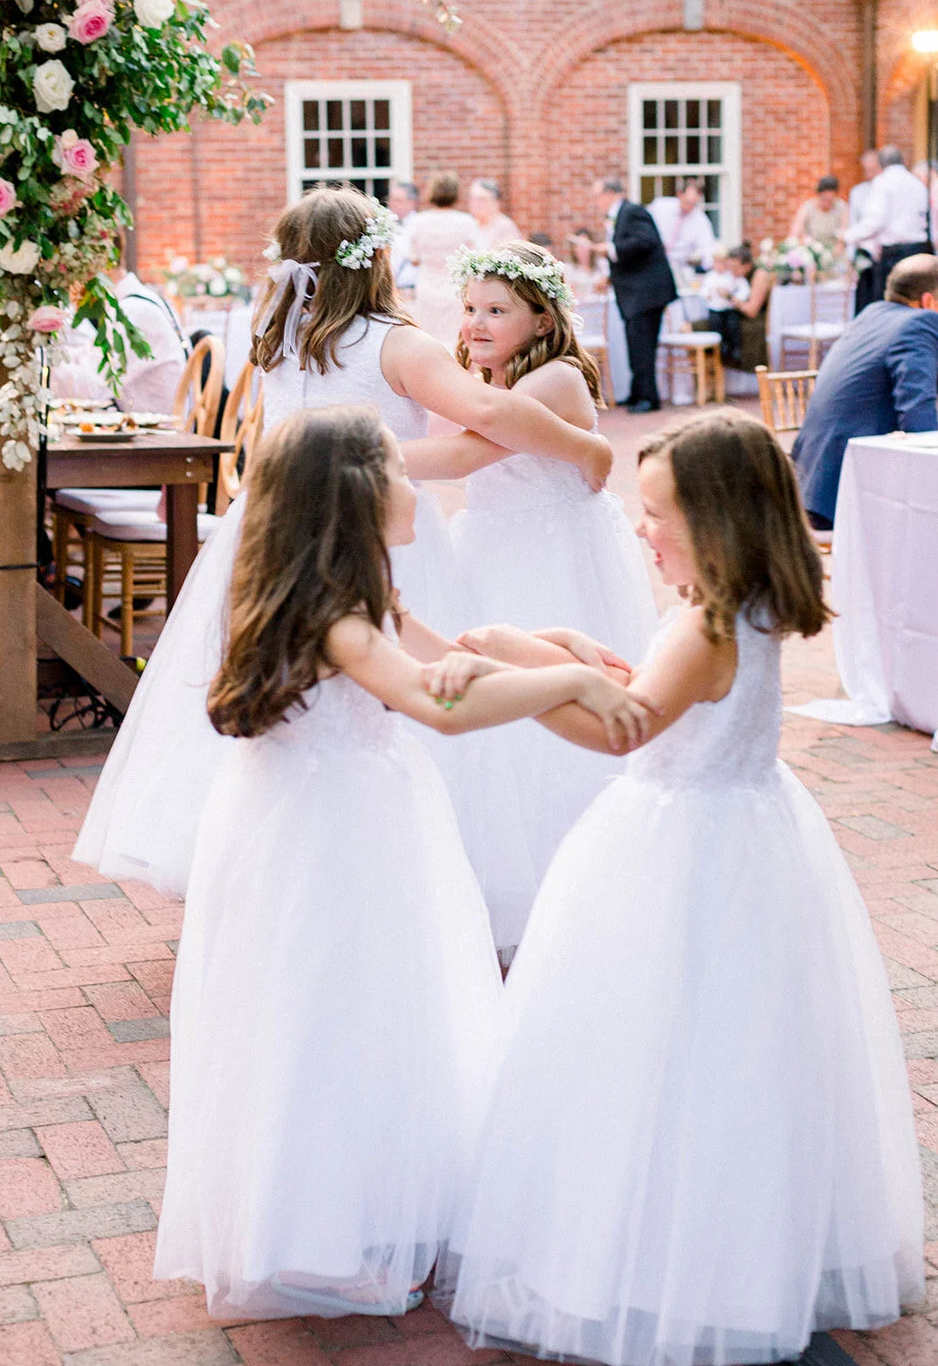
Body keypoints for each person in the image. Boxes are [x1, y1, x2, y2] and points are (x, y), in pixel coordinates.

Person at [435, 410, 925, 1365]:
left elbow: (622, 728)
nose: (638, 527)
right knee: (738, 1045)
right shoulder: (737, 609)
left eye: (655, 511)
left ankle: (656, 1249)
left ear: (716, 517)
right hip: (746, 832)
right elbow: (631, 680)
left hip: (679, 844)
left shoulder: (702, 628)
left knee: (656, 1039)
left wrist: (508, 681)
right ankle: (743, 1238)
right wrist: (561, 653)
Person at [152, 405, 653, 1322]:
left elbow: (454, 656)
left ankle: (373, 1206)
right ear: (351, 497)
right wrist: (572, 686)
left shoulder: (362, 594)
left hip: (361, 813)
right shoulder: (332, 617)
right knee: (329, 1016)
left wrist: (554, 647)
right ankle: (318, 1229)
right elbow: (439, 705)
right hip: (324, 834)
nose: (409, 478)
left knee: (385, 1009)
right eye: (393, 467)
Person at [72, 187, 613, 898]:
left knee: (292, 690)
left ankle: (273, 860)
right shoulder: (395, 340)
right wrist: (583, 443)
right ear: (375, 257)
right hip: (372, 530)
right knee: (392, 690)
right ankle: (406, 871)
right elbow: (485, 409)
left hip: (271, 525)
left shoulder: (281, 336)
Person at [405, 242, 657, 952]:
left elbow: (462, 457)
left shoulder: (549, 382)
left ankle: (565, 885)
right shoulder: (494, 376)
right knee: (500, 707)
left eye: (496, 311)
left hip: (546, 554)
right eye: (469, 309)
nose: (474, 324)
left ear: (542, 320)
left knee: (538, 718)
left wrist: (341, 446)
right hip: (494, 545)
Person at [792, 252, 938, 530]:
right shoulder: (919, 324)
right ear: (928, 301)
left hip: (809, 485)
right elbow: (919, 419)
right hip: (847, 494)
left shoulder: (869, 316)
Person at [53, 267, 189, 414]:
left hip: (160, 432)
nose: (71, 279)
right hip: (139, 425)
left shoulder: (134, 311)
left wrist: (40, 363)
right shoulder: (138, 300)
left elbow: (90, 390)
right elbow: (87, 354)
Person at [592, 176, 676, 413]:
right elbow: (634, 258)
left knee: (643, 345)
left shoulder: (632, 211)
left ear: (610, 193)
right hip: (637, 293)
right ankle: (638, 391)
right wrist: (610, 277)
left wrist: (610, 249)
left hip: (646, 293)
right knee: (636, 343)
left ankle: (649, 398)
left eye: (597, 196)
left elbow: (645, 242)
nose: (596, 202)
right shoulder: (621, 215)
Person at [844, 145, 931, 310]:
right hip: (919, 249)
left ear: (881, 164)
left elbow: (875, 221)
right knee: (915, 304)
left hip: (894, 255)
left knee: (889, 306)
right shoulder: (916, 182)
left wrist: (849, 236)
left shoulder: (883, 182)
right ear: (902, 161)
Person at [406, 172, 479, 347]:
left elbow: (412, 258)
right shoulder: (466, 222)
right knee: (454, 337)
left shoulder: (418, 221)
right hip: (454, 287)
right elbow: (477, 256)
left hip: (426, 288)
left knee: (428, 338)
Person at [699, 242, 772, 371]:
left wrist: (729, 297)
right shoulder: (728, 276)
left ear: (747, 266)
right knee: (694, 326)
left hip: (748, 321)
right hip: (725, 314)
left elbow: (751, 311)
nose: (732, 271)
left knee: (700, 329)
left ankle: (711, 372)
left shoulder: (759, 275)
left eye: (735, 267)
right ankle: (706, 377)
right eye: (730, 267)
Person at [646, 177, 716, 272]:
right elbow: (643, 226)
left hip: (680, 267)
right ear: (679, 194)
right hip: (652, 261)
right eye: (687, 202)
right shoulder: (660, 206)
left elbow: (707, 246)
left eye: (693, 204)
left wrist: (707, 267)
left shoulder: (701, 220)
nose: (689, 207)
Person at [847, 148, 882, 314]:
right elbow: (853, 224)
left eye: (872, 170)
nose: (869, 175)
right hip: (864, 255)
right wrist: (850, 258)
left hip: (883, 256)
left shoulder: (887, 190)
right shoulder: (858, 192)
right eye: (866, 170)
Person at [789, 174, 848, 246]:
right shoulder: (807, 207)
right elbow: (796, 229)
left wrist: (840, 243)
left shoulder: (841, 207)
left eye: (830, 200)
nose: (827, 203)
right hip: (812, 247)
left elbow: (844, 229)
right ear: (818, 195)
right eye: (824, 199)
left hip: (834, 248)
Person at [467, 178, 521, 249]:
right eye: (472, 199)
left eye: (481, 199)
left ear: (496, 202)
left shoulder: (505, 227)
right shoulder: (468, 224)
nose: (476, 204)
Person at [388, 179, 418, 294]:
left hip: (410, 290)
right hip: (389, 291)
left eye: (398, 200)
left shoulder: (419, 225)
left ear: (411, 203)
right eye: (391, 199)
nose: (392, 204)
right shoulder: (383, 223)